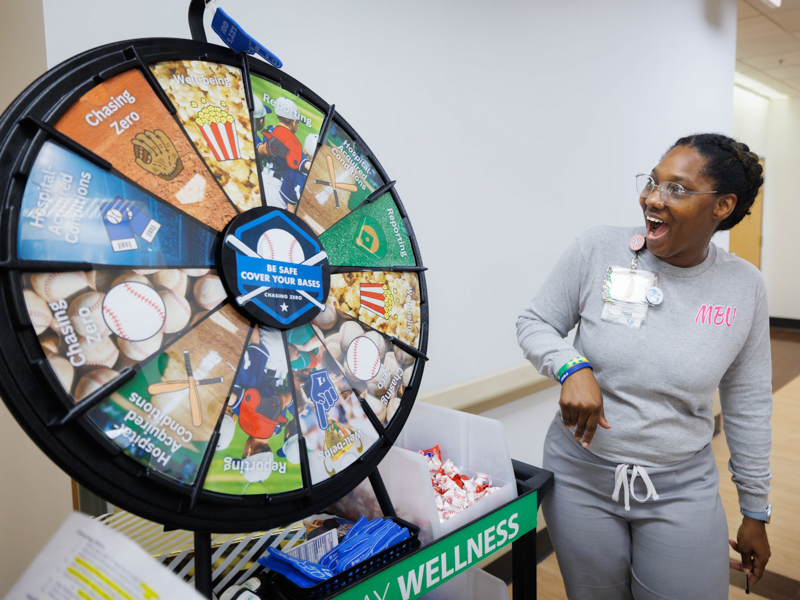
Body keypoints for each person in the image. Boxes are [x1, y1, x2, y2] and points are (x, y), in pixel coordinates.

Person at [517, 133, 771, 599]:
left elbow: (749, 404)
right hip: (580, 477)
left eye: (677, 188)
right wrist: (571, 367)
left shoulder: (743, 287)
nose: (652, 198)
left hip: (679, 487)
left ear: (722, 206)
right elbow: (535, 323)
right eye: (653, 182)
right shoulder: (597, 249)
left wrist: (756, 510)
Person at [255, 96, 313, 212]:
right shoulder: (292, 144)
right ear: (294, 122)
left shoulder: (270, 130)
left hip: (259, 181)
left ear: (277, 116)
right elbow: (306, 165)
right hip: (276, 192)